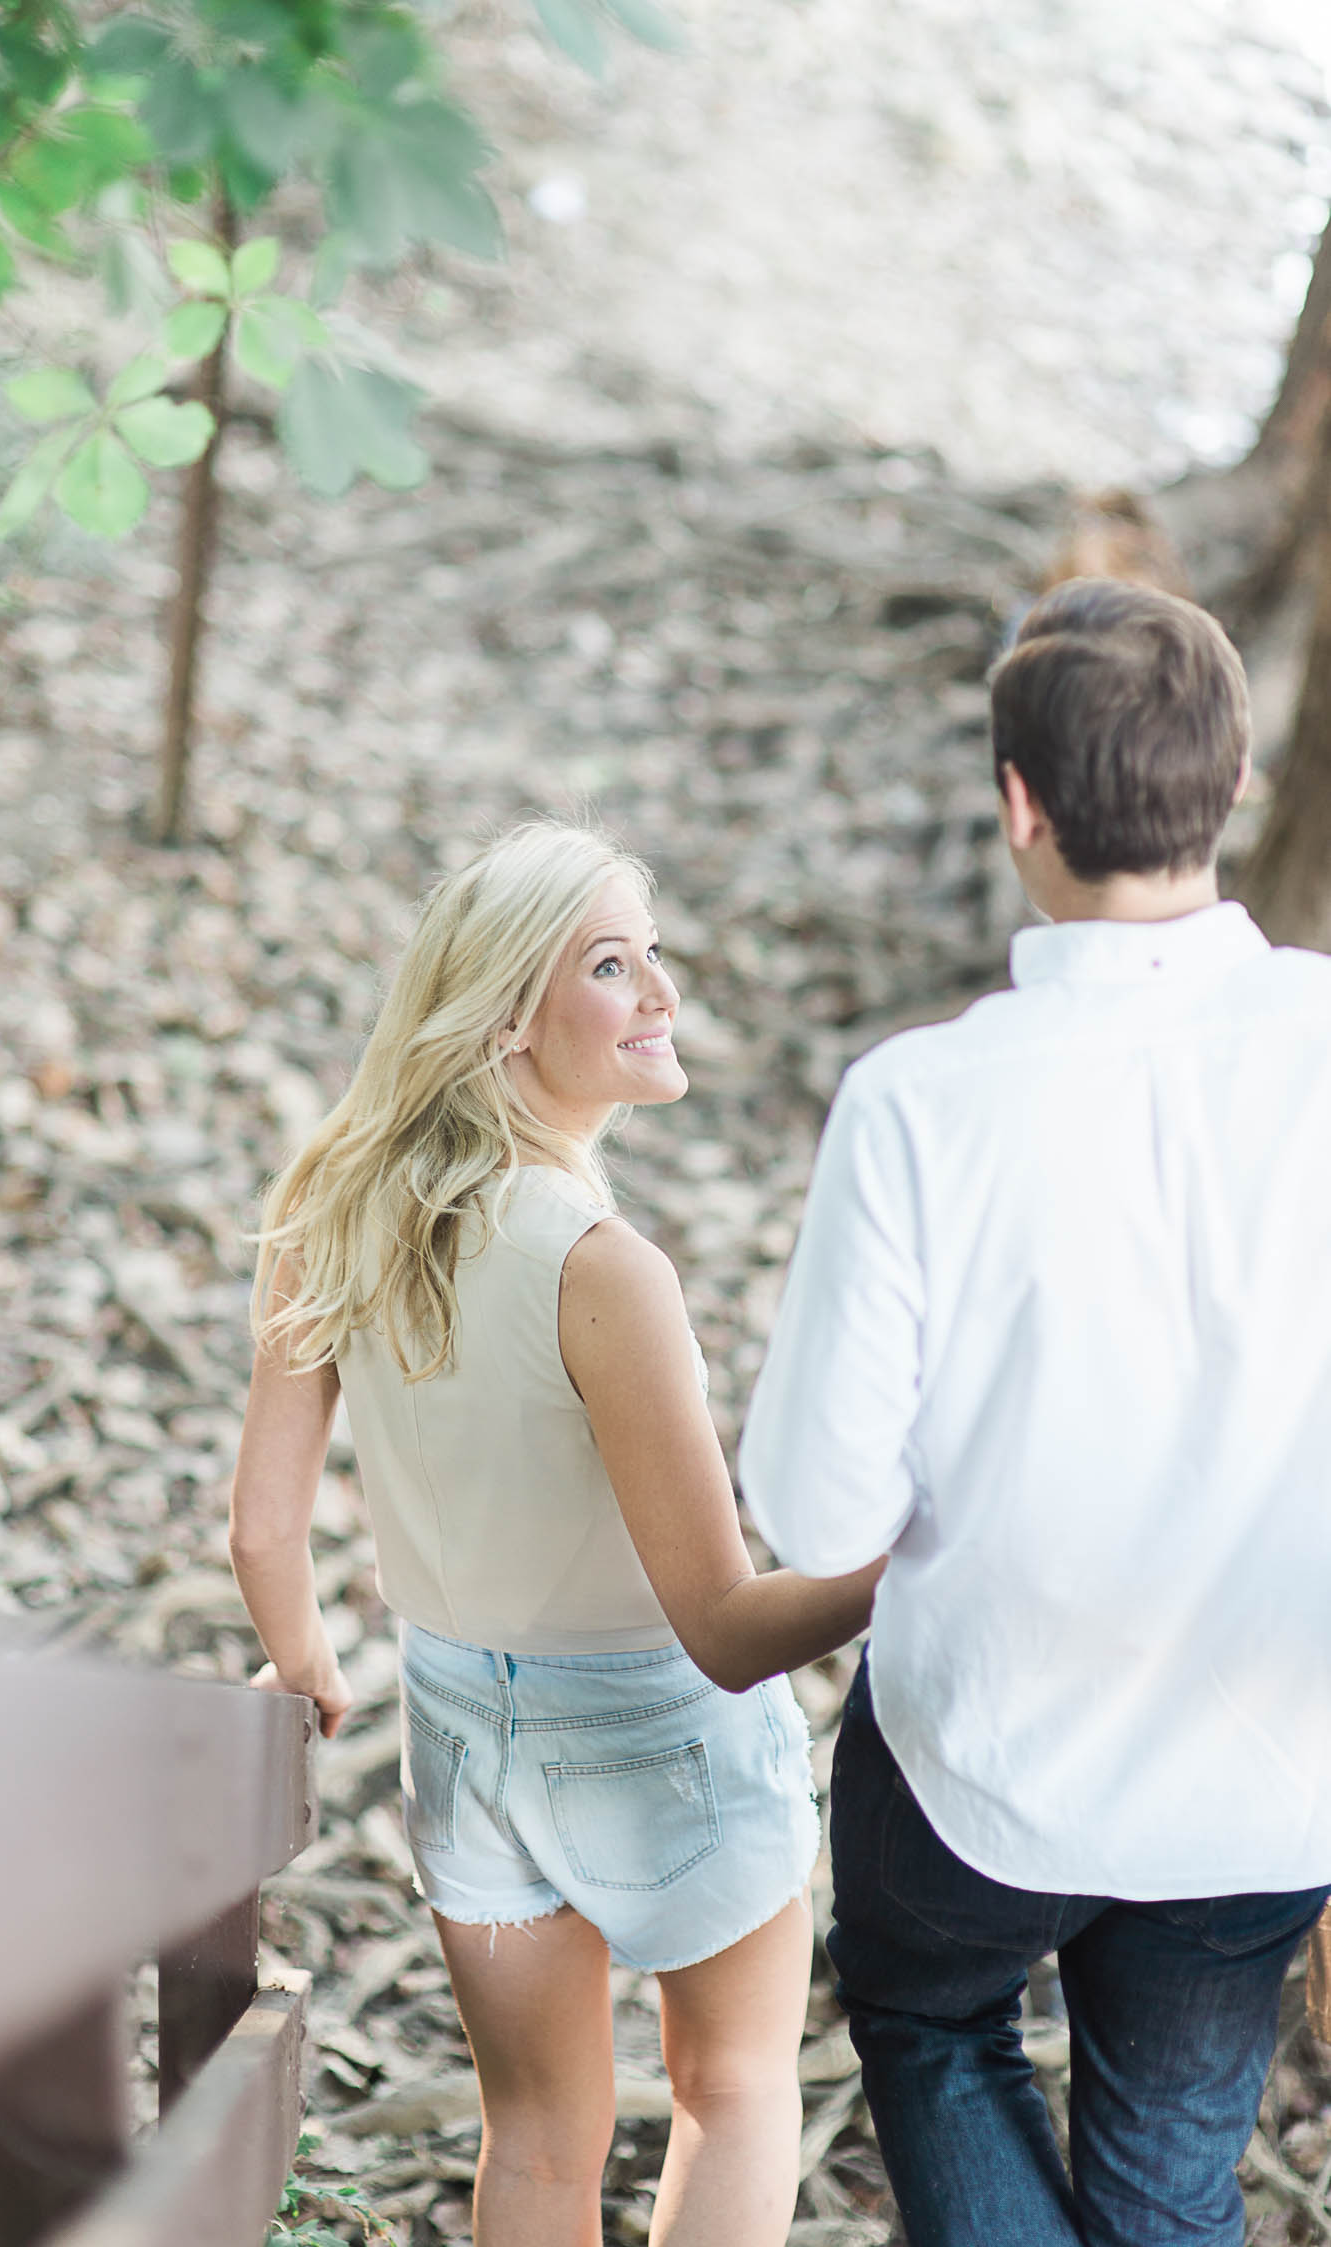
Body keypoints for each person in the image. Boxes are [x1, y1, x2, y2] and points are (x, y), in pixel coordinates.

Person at [739, 575, 1331, 2247]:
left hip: (992, 1767)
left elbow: (819, 1518)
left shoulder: (923, 1108)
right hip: (1274, 1763)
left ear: (1020, 804)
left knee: (929, 2020)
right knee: (1169, 2180)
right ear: (1234, 786)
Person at [228, 820, 882, 2247]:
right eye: (610, 964)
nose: (660, 994)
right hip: (656, 1731)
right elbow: (718, 1627)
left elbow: (265, 1529)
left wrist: (305, 1665)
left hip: (460, 1729)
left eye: (655, 958)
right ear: (509, 1021)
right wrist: (909, 1567)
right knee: (735, 2092)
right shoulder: (603, 1269)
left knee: (534, 2139)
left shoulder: (334, 1209)